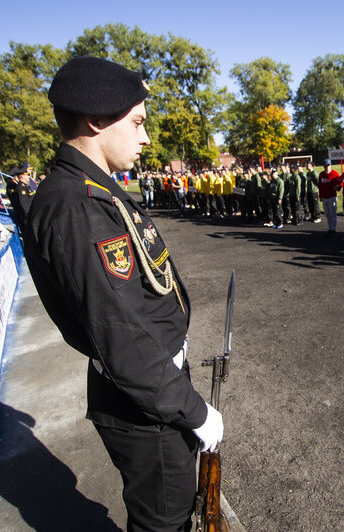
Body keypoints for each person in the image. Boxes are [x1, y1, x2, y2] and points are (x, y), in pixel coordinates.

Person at [22, 56, 222, 531]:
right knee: (164, 519)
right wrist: (194, 411)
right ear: (96, 121)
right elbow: (121, 336)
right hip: (142, 399)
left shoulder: (93, 190)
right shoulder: (77, 206)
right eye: (137, 123)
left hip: (152, 385)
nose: (146, 137)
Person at [318, 159, 341, 236]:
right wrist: (320, 196)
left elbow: (341, 182)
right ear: (323, 166)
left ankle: (333, 229)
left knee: (333, 213)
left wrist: (338, 188)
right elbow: (320, 186)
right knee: (327, 214)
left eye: (328, 165)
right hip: (324, 197)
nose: (327, 167)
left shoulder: (334, 173)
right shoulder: (321, 174)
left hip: (332, 196)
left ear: (330, 165)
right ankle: (330, 227)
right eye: (325, 165)